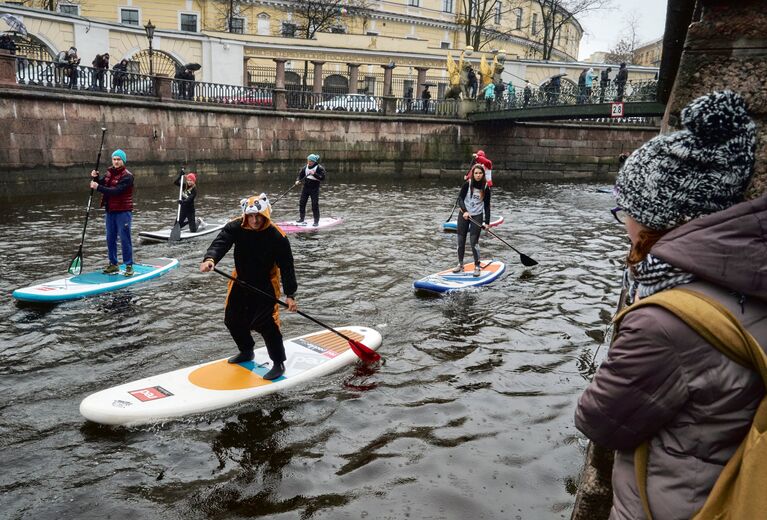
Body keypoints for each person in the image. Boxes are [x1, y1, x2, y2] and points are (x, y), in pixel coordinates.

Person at [575, 90, 764, 519]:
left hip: (672, 504)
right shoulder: (745, 276)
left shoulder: (663, 321)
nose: (623, 221)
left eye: (627, 210)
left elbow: (599, 420)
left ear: (656, 220)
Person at [199, 194, 298, 381]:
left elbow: (287, 266)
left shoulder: (278, 236)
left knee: (265, 323)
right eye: (250, 216)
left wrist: (290, 294)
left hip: (266, 283)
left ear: (266, 215)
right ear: (245, 216)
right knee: (231, 319)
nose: (254, 220)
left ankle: (278, 363)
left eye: (258, 216)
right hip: (240, 280)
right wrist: (210, 259)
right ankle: (246, 350)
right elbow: (221, 242)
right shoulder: (235, 226)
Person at [90, 149, 135, 276]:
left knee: (124, 239)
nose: (116, 162)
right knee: (110, 238)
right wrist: (96, 178)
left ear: (123, 161)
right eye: (114, 159)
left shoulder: (128, 176)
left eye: (118, 159)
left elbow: (115, 191)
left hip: (123, 212)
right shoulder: (110, 173)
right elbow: (102, 183)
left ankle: (129, 265)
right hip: (110, 211)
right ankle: (113, 264)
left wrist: (97, 187)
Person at [453, 164, 491, 277]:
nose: (478, 175)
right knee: (461, 241)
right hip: (464, 215)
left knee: (474, 242)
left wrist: (487, 223)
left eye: (480, 173)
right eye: (476, 173)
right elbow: (460, 199)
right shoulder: (467, 184)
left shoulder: (485, 187)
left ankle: (477, 266)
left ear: (483, 174)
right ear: (473, 174)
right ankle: (460, 264)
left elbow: (487, 206)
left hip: (477, 215)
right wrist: (464, 211)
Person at [294, 153, 326, 226]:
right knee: (302, 203)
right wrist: (297, 180)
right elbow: (300, 175)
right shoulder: (305, 167)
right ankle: (301, 219)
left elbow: (323, 178)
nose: (309, 162)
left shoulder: (319, 168)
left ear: (314, 161)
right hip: (306, 188)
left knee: (314, 205)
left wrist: (314, 174)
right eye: (308, 161)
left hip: (314, 189)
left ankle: (316, 221)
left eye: (311, 161)